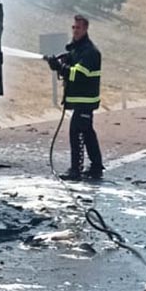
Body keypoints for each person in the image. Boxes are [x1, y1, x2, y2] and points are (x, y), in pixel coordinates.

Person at [46, 14, 104, 181]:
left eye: (78, 28)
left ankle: (76, 171)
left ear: (85, 29)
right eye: (73, 27)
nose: (75, 30)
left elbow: (78, 74)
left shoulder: (90, 52)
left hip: (85, 100)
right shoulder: (78, 49)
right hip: (81, 100)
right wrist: (61, 60)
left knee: (76, 131)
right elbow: (71, 61)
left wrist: (61, 67)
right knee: (87, 134)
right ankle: (96, 167)